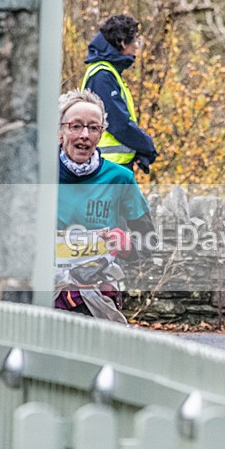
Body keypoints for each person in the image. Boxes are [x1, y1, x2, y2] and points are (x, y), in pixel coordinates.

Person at [55, 89, 155, 324]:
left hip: (98, 293)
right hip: (47, 291)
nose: (84, 135)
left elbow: (149, 240)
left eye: (93, 128)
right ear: (60, 132)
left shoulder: (119, 178)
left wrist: (128, 246)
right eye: (75, 126)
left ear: (101, 134)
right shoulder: (37, 173)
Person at [81, 14, 157, 174]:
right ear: (122, 42)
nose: (136, 47)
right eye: (134, 41)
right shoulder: (102, 76)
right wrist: (146, 146)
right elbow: (119, 124)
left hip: (113, 166)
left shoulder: (108, 73)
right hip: (108, 168)